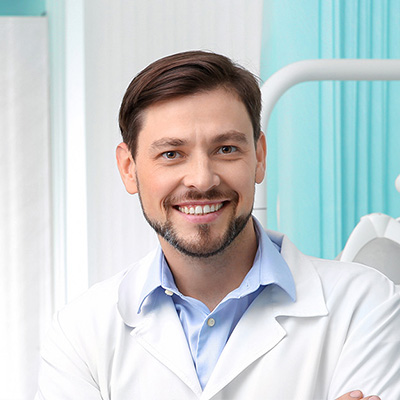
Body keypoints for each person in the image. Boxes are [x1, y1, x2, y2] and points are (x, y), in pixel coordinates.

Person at [35, 51, 400, 400]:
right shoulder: (81, 332)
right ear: (129, 168)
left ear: (258, 157)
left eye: (226, 149)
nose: (201, 179)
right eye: (171, 154)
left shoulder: (367, 303)